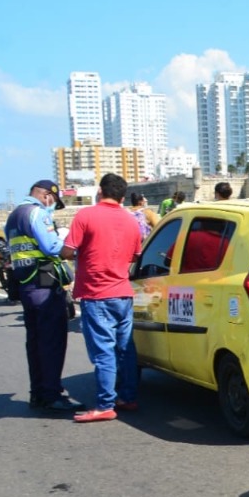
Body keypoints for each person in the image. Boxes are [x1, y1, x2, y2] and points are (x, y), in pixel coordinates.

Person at [60, 173, 142, 423]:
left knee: (103, 351)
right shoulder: (132, 222)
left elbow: (67, 251)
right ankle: (127, 397)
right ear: (123, 196)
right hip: (123, 293)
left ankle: (105, 404)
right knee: (125, 348)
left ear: (100, 191)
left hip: (96, 294)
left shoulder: (86, 215)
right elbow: (136, 256)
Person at [5, 179, 79, 413]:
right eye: (54, 201)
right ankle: (51, 394)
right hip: (45, 285)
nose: (52, 207)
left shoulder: (13, 216)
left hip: (26, 285)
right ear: (47, 195)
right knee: (52, 342)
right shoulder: (37, 213)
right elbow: (51, 247)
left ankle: (37, 392)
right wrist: (74, 247)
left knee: (35, 343)